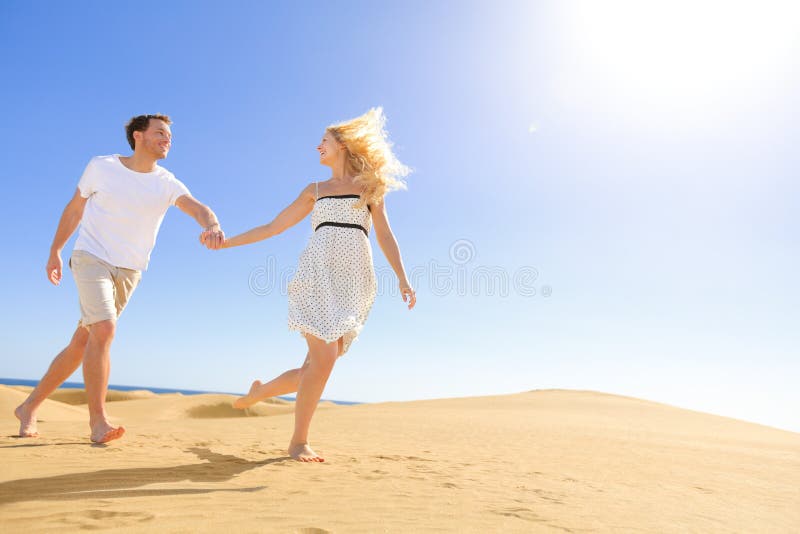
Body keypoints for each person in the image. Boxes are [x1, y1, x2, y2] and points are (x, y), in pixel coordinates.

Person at [214, 108, 416, 462]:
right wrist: (226, 242)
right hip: (316, 276)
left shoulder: (370, 188)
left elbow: (384, 234)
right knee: (323, 361)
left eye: (323, 141)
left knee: (313, 367)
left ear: (342, 145)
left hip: (354, 282)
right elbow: (273, 227)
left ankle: (257, 394)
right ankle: (298, 442)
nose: (317, 146)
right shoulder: (315, 190)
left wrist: (402, 276)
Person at [14, 114, 225, 443]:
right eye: (160, 133)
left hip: (130, 270)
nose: (167, 139)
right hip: (91, 257)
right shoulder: (103, 166)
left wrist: (210, 225)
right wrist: (56, 250)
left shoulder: (166, 182)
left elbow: (198, 208)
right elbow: (74, 210)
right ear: (138, 136)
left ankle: (28, 407)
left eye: (169, 136)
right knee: (104, 328)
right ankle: (98, 423)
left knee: (83, 342)